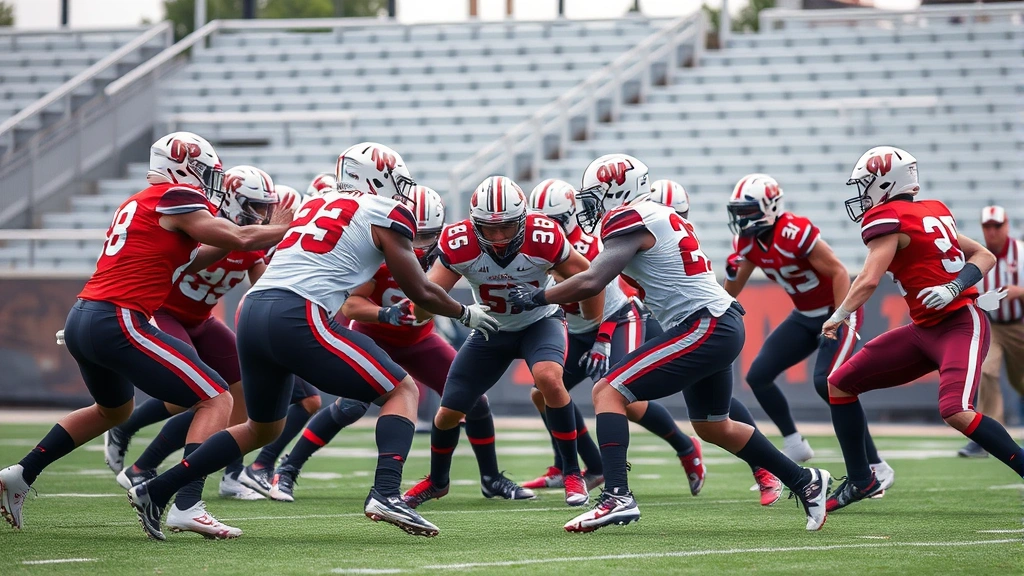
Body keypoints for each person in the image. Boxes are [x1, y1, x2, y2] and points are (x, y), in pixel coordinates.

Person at [122, 142, 499, 540]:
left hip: (253, 312)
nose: (401, 190)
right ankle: (387, 493)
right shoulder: (384, 211)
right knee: (401, 389)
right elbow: (421, 291)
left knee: (262, 428)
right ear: (377, 177)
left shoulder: (315, 203)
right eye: (396, 180)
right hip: (297, 313)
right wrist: (464, 313)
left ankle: (157, 489)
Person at [508, 154, 831, 533]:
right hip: (716, 321)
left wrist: (536, 298)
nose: (591, 205)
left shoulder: (630, 217)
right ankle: (805, 481)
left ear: (617, 190)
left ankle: (616, 496)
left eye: (596, 194)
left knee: (608, 391)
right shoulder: (657, 215)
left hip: (704, 323)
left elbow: (593, 280)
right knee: (713, 426)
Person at [0, 133, 291, 533]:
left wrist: (242, 240)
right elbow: (237, 236)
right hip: (117, 317)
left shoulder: (141, 202)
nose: (209, 181)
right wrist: (291, 228)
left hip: (85, 315)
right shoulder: (173, 195)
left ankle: (21, 473)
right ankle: (187, 503)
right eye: (204, 171)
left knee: (113, 410)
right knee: (216, 398)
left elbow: (194, 259)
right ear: (182, 166)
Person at [266, 186, 532, 503]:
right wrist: (386, 313)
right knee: (351, 405)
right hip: (375, 336)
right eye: (415, 234)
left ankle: (491, 478)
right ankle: (288, 469)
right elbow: (352, 306)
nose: (419, 245)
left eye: (428, 235)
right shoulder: (382, 248)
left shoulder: (450, 251)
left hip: (419, 340)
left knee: (476, 401)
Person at [823, 147, 1024, 512]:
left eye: (867, 185)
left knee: (956, 410)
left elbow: (868, 280)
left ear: (886, 183)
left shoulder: (888, 218)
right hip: (924, 330)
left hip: (960, 324)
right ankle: (862, 478)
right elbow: (984, 256)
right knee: (839, 384)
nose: (862, 194)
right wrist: (953, 284)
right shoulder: (932, 211)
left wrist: (838, 315)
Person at [402, 176, 604, 510]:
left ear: (523, 220)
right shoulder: (459, 240)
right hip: (490, 328)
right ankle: (437, 482)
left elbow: (588, 278)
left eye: (508, 227)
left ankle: (572, 472)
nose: (498, 237)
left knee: (550, 380)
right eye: (489, 228)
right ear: (473, 223)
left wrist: (590, 321)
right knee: (447, 414)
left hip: (540, 323)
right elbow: (425, 301)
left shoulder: (544, 236)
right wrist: (426, 303)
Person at [106, 165, 282, 510]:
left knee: (241, 385)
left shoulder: (250, 241)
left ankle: (232, 473)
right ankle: (133, 442)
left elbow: (263, 288)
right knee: (195, 392)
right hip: (167, 312)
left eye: (266, 207)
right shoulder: (200, 222)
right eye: (255, 206)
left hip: (201, 319)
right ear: (232, 199)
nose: (261, 215)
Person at [522, 178, 706, 496]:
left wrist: (602, 339)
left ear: (569, 216)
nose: (543, 227)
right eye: (536, 219)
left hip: (618, 319)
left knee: (623, 397)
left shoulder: (592, 246)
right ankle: (581, 466)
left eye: (551, 220)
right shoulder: (533, 245)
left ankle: (685, 446)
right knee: (544, 392)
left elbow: (614, 297)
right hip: (578, 328)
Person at [723, 173, 894, 494]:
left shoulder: (794, 231)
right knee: (759, 374)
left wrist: (840, 315)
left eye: (748, 211)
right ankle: (794, 443)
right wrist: (731, 273)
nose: (742, 219)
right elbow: (733, 289)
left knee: (828, 383)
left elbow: (838, 270)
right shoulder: (747, 241)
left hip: (837, 311)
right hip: (804, 316)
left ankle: (876, 465)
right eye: (739, 212)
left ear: (769, 207)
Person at [958, 205, 1024, 457]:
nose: (993, 232)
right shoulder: (977, 254)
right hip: (992, 324)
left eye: (997, 226)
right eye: (988, 227)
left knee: (1021, 383)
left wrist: (1020, 293)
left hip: (1019, 324)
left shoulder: (1021, 252)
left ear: (1007, 226)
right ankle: (989, 439)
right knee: (986, 370)